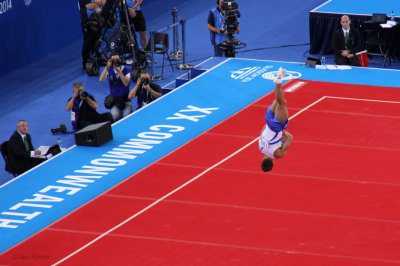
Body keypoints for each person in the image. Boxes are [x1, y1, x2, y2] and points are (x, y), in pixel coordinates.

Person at [259, 68, 293, 172]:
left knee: (282, 103)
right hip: (268, 121)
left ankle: (279, 80)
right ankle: (280, 78)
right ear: (262, 160)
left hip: (276, 127)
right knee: (279, 99)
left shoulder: (277, 154)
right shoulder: (260, 147)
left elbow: (290, 138)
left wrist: (283, 133)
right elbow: (263, 130)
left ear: (273, 163)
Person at [99, 53, 133, 121]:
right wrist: (106, 68)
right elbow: (101, 79)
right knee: (115, 117)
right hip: (115, 101)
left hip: (125, 100)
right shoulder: (110, 70)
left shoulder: (127, 70)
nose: (115, 61)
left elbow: (126, 83)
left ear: (120, 60)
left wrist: (119, 71)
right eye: (113, 60)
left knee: (127, 117)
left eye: (117, 59)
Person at [78, 0, 105, 69]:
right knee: (88, 42)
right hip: (88, 22)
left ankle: (97, 58)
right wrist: (98, 3)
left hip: (98, 20)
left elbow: (105, 2)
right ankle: (86, 61)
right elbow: (90, 6)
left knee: (97, 40)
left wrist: (95, 3)